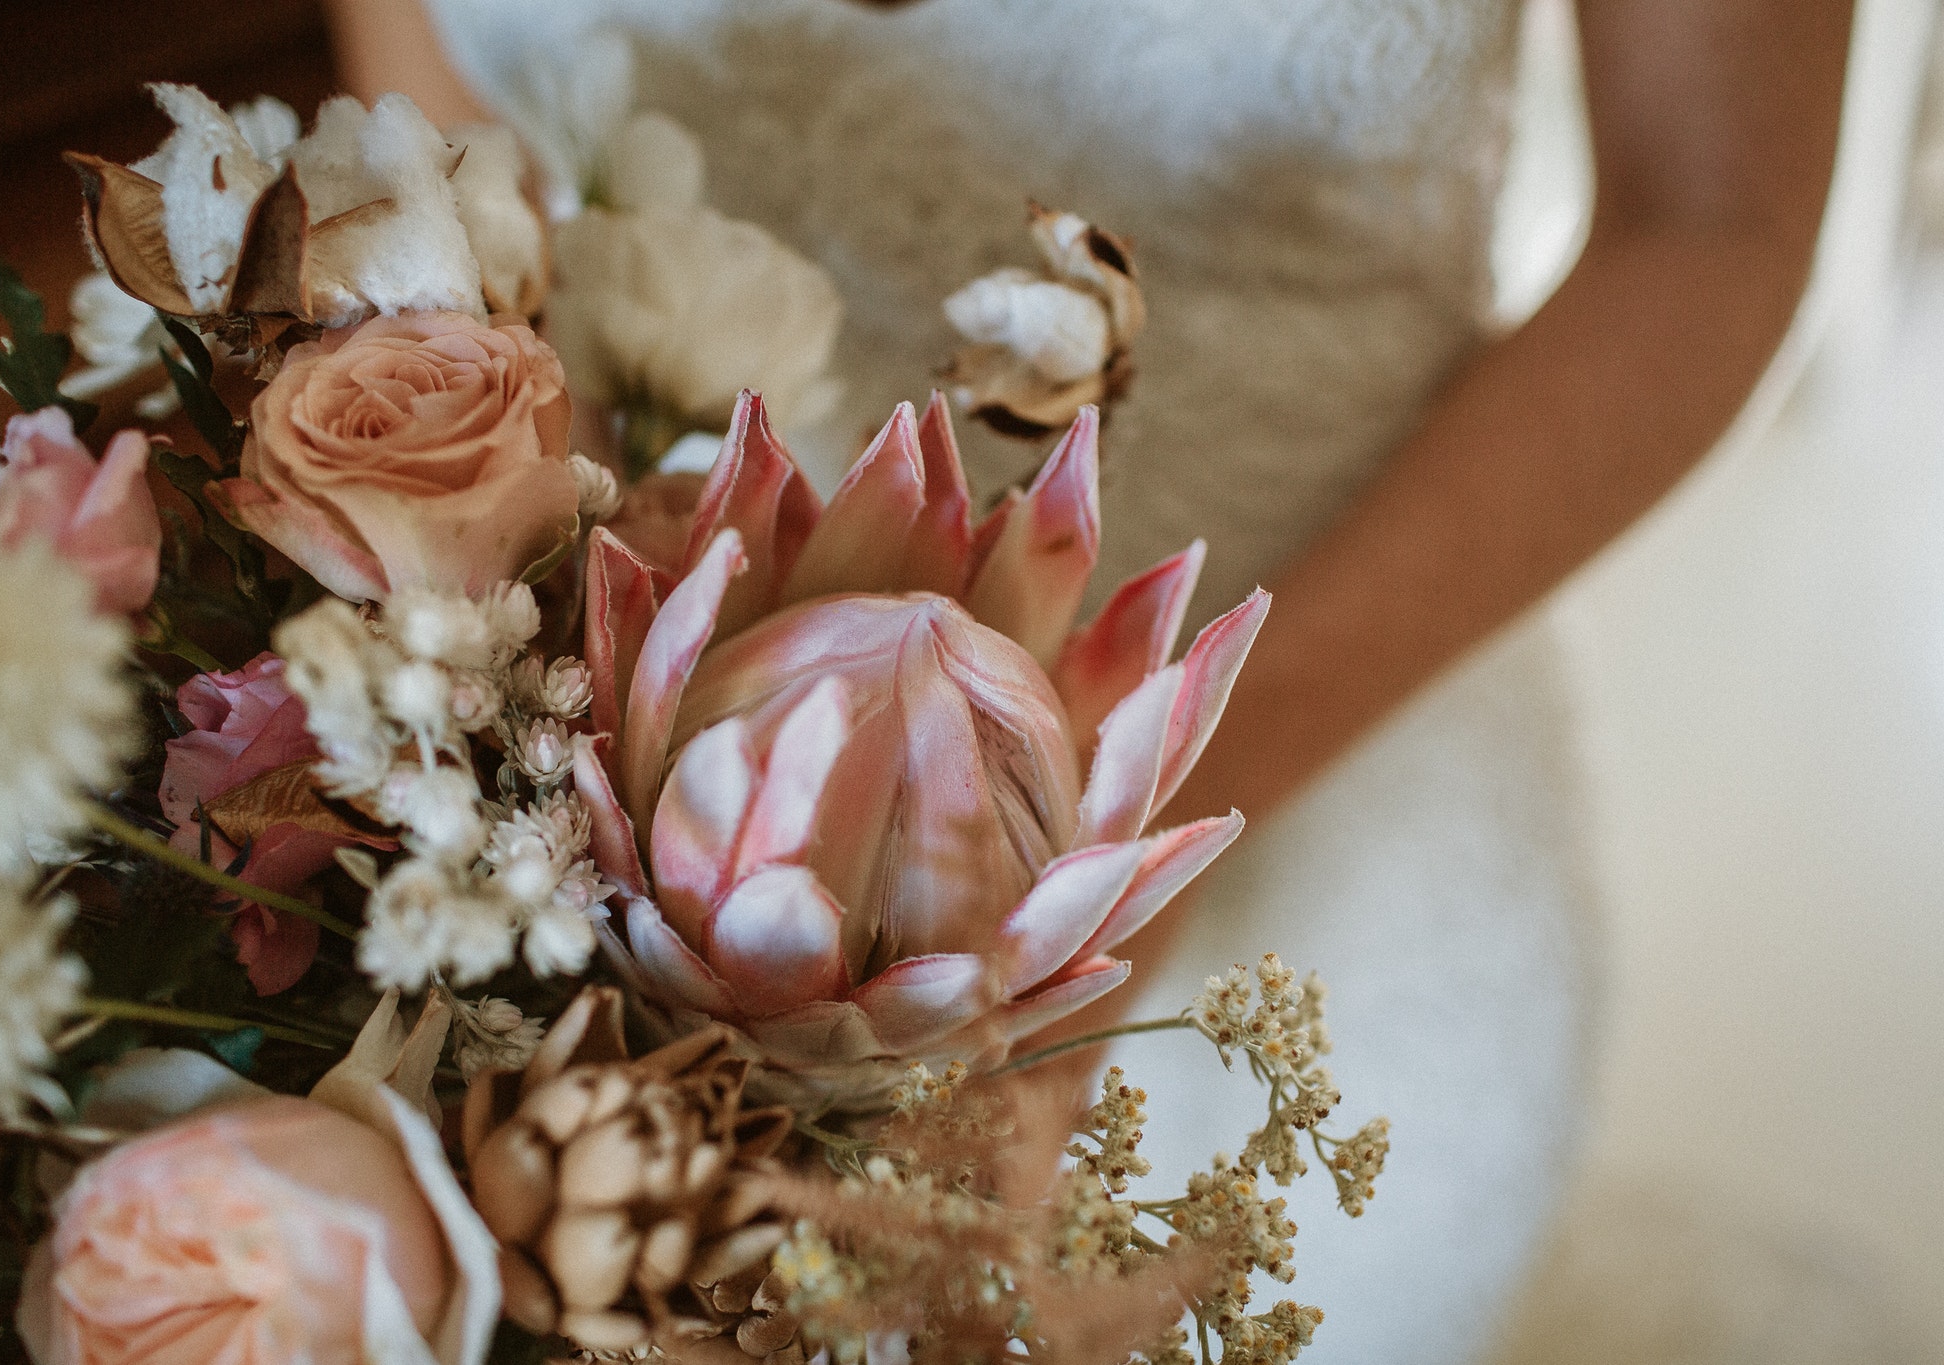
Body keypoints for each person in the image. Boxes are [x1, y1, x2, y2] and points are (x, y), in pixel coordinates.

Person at [325, 2, 1853, 1360]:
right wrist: (564, 762)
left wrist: (1118, 833)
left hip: (1334, 792)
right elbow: (436, 168)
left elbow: (1713, 224)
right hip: (573, 820)